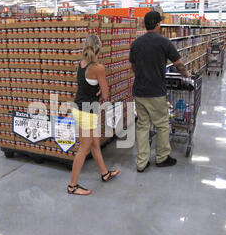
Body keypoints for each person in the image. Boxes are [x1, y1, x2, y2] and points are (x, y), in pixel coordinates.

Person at [129, 10, 191, 173]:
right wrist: (187, 75)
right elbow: (178, 64)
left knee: (143, 126)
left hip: (139, 91)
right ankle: (162, 157)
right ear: (157, 24)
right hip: (156, 91)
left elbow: (133, 67)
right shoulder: (164, 42)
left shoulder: (136, 43)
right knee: (162, 125)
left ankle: (141, 162)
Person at [68, 35, 120, 196]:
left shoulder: (81, 64)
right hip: (87, 112)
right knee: (84, 148)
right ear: (99, 48)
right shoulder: (98, 68)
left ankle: (104, 173)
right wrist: (101, 93)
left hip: (78, 107)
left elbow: (86, 86)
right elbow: (105, 93)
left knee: (94, 144)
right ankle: (72, 186)